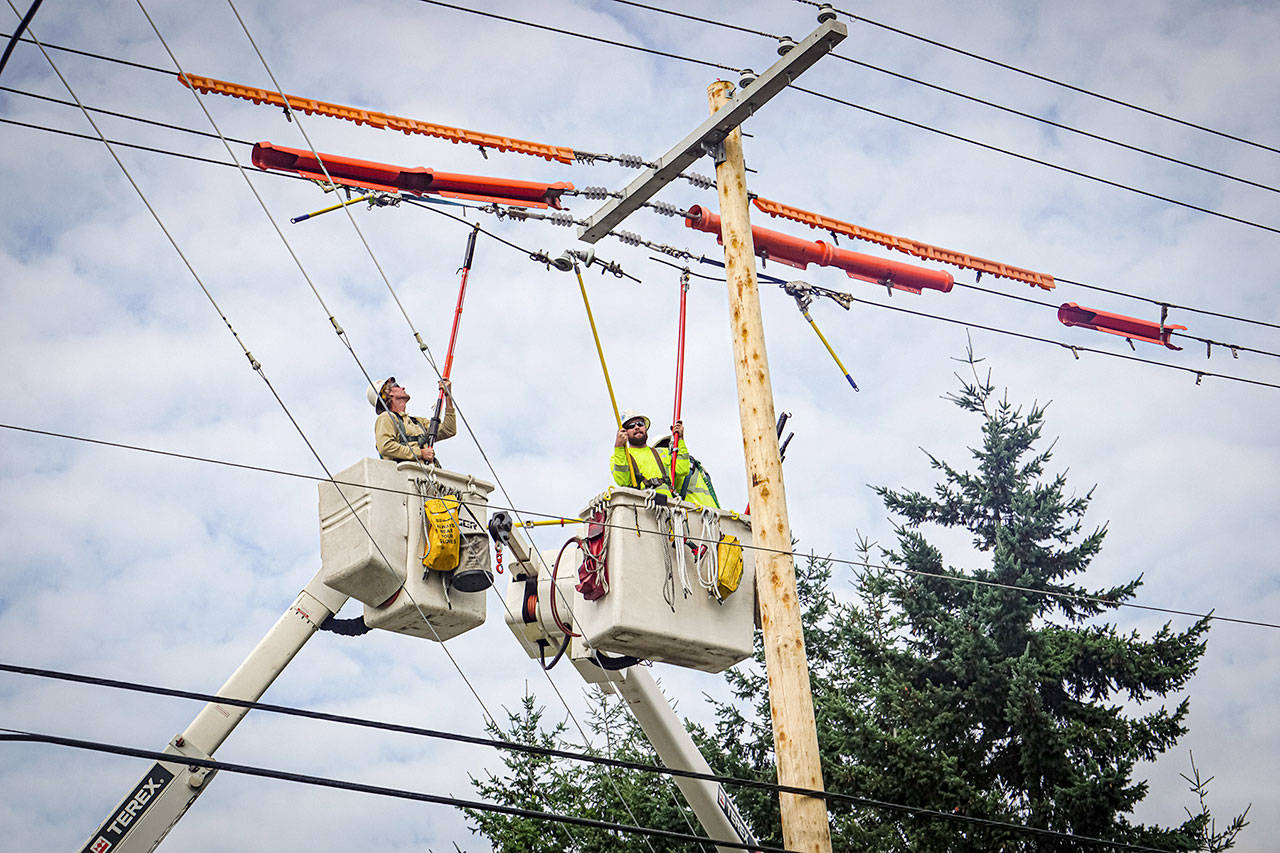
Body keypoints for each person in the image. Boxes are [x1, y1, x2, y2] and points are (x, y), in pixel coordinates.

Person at [610, 409, 716, 507]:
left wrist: (680, 440)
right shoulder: (621, 456)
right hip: (643, 507)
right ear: (624, 432)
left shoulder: (662, 453)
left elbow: (683, 469)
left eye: (640, 424)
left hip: (669, 507)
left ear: (645, 428)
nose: (637, 427)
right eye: (631, 426)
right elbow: (622, 480)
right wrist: (619, 447)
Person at [368, 376, 455, 464]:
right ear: (389, 393)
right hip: (406, 475)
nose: (403, 388)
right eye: (397, 386)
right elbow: (386, 446)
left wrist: (448, 396)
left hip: (426, 474)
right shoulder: (386, 417)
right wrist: (420, 453)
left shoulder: (418, 422)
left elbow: (448, 430)